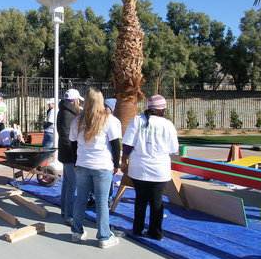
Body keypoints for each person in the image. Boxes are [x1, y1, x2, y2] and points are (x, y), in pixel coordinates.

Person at [70, 88, 122, 249]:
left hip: (83, 164)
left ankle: (76, 232)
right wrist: (116, 165)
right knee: (101, 201)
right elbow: (115, 145)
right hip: (102, 166)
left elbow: (72, 143)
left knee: (80, 199)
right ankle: (104, 236)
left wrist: (75, 163)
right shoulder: (110, 120)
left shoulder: (78, 120)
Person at [121, 95, 179, 241]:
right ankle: (156, 232)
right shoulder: (167, 125)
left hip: (138, 168)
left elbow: (127, 144)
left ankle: (137, 228)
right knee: (156, 201)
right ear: (162, 109)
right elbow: (174, 149)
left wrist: (124, 162)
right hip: (159, 169)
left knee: (140, 199)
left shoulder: (137, 120)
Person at [57, 88, 82, 225]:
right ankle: (70, 214)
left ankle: (65, 210)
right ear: (75, 101)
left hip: (65, 152)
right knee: (71, 184)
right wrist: (75, 154)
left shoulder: (63, 111)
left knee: (67, 183)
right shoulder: (68, 114)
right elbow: (68, 137)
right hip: (69, 153)